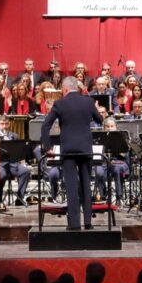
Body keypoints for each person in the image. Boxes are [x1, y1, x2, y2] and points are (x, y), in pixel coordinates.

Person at [41, 76, 103, 230]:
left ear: (65, 89)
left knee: (71, 186)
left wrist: (48, 147)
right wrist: (95, 107)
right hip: (85, 149)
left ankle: (74, 223)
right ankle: (88, 221)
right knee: (86, 184)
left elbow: (45, 126)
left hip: (67, 151)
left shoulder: (59, 104)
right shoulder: (88, 102)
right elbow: (100, 120)